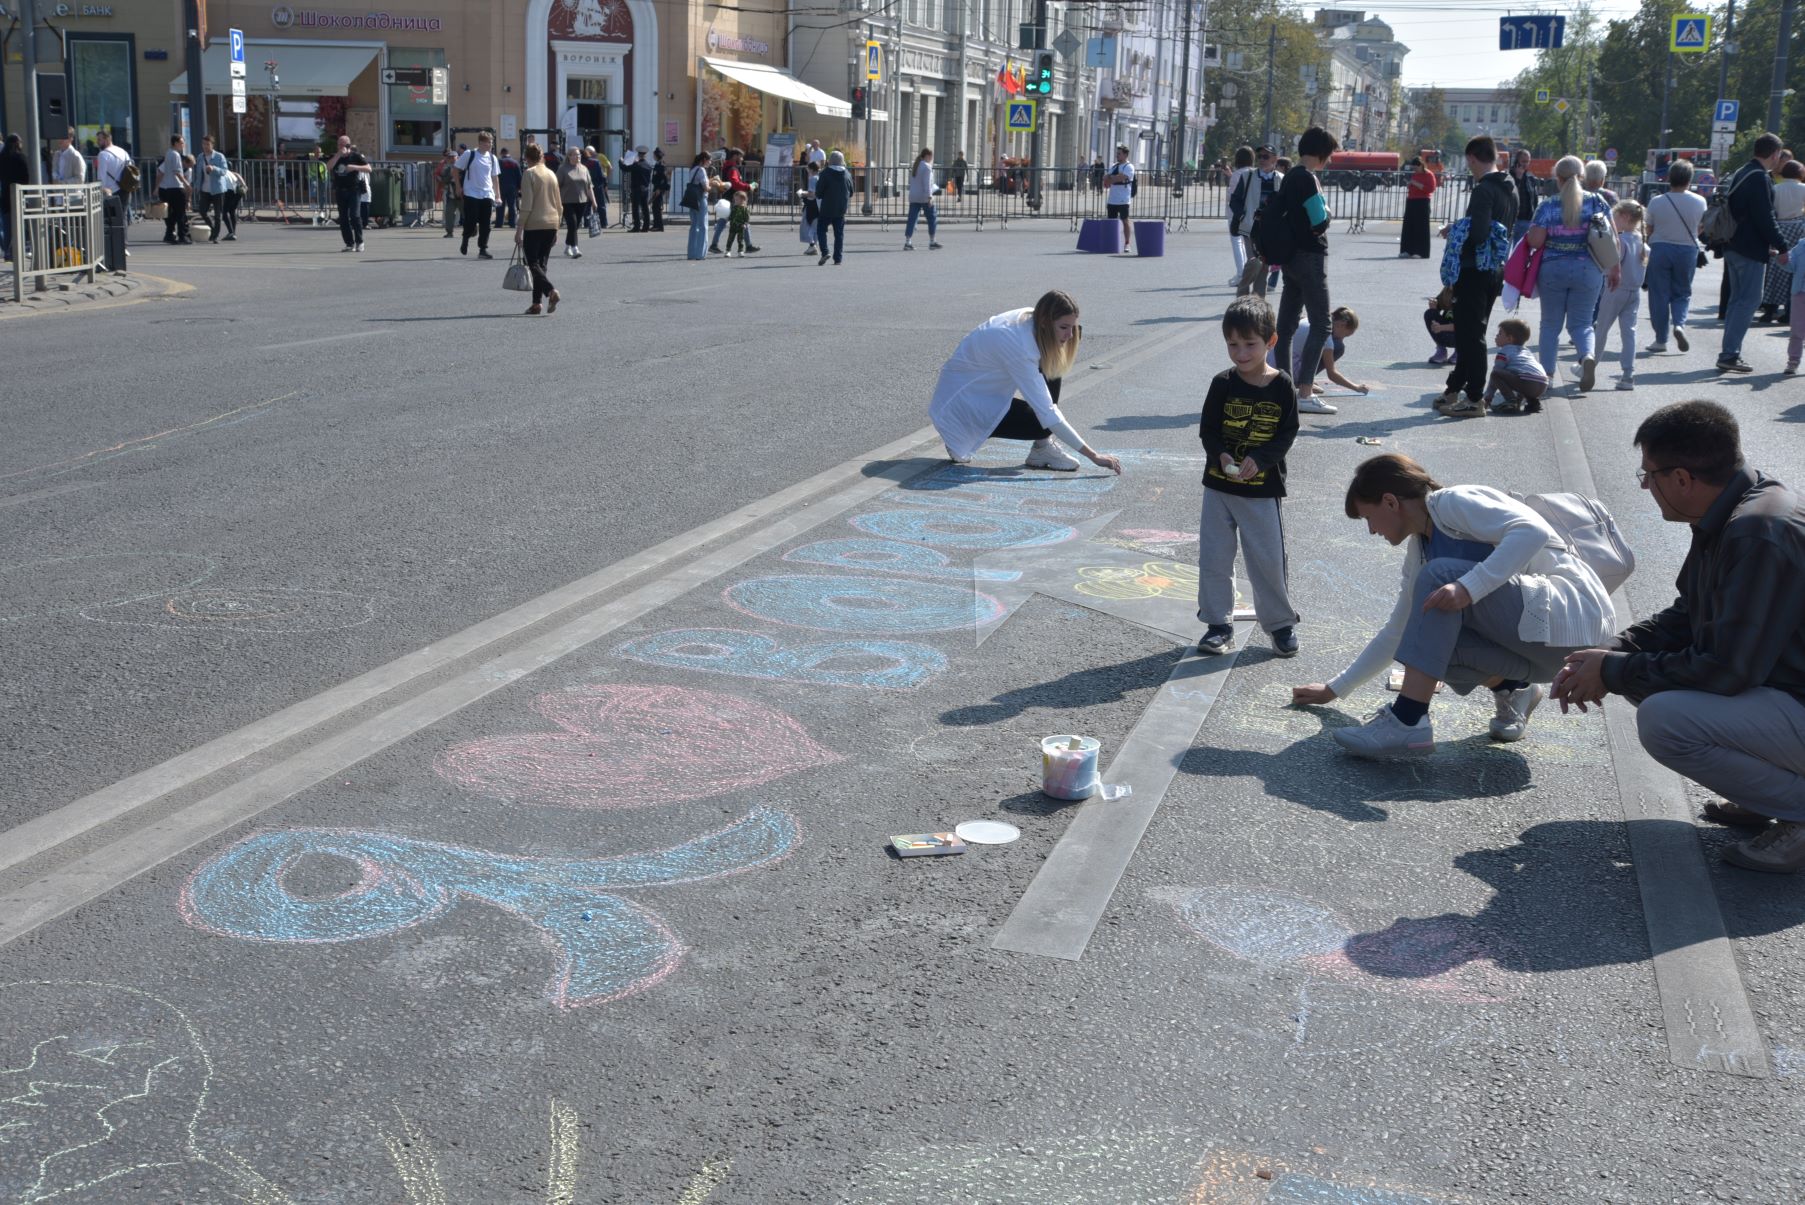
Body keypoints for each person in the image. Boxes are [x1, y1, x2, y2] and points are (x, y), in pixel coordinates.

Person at [1551, 401, 1805, 871]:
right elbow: (1690, 615)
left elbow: (1727, 670)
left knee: (1666, 717)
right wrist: (1612, 653)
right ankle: (1772, 797)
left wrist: (1614, 671)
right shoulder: (1735, 508)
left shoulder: (1754, 532)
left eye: (1649, 474)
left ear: (1682, 478)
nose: (1646, 485)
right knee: (1649, 683)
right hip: (1787, 693)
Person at [1293, 453, 1616, 758]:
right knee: (1424, 638)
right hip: (1539, 653)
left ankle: (1408, 720)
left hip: (1573, 623)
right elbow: (1398, 632)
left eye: (1369, 518)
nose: (1371, 530)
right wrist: (1335, 689)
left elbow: (1532, 531)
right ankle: (1514, 690)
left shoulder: (1452, 502)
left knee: (1441, 577)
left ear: (1390, 502)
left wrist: (1467, 586)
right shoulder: (1420, 551)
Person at [1195, 297, 1301, 658]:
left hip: (1261, 491)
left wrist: (1260, 458)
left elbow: (1286, 434)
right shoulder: (1221, 383)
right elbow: (1208, 430)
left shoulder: (1282, 385)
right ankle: (1217, 625)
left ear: (1271, 341)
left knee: (1267, 559)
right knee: (1214, 558)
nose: (1241, 353)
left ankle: (1280, 625)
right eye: (1233, 345)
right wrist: (1221, 454)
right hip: (1219, 487)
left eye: (1250, 344)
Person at [930, 291, 1124, 476]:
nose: (1071, 335)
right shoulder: (1019, 347)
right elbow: (1048, 413)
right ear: (1045, 323)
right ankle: (964, 434)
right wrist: (1094, 456)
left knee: (1054, 356)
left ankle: (1042, 447)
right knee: (1042, 422)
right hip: (961, 409)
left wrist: (1065, 330)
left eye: (1072, 326)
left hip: (979, 394)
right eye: (1064, 327)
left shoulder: (1032, 319)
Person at [1434, 136, 1516, 418]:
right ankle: (1454, 388)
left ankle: (1473, 397)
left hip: (1474, 269)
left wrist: (1458, 232)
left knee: (1471, 336)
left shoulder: (1483, 190)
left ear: (1471, 158)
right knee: (1472, 332)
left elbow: (1479, 232)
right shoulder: (1509, 187)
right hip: (1495, 269)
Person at [1522, 155, 1615, 391]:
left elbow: (1536, 241)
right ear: (1582, 177)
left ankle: (1547, 376)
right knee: (1583, 324)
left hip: (1553, 269)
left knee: (1550, 325)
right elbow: (1612, 239)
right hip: (1589, 269)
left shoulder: (1548, 205)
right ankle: (1586, 357)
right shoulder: (1598, 202)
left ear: (1557, 178)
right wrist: (1616, 269)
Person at [1272, 127, 1338, 413]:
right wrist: (1329, 213)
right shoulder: (1308, 179)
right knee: (1322, 323)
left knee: (1285, 326)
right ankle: (1305, 392)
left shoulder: (1289, 177)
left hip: (1290, 257)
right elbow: (1319, 221)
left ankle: (1284, 386)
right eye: (1330, 155)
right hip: (1310, 256)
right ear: (1322, 154)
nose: (1330, 161)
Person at [1717, 133, 1792, 373]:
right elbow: (1764, 217)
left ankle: (1729, 351)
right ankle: (1729, 354)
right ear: (1775, 154)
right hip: (1748, 249)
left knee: (1738, 300)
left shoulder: (1743, 171)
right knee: (1748, 301)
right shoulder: (1759, 177)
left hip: (1733, 244)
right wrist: (1782, 244)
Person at [1644, 158, 1706, 353]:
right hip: (1687, 249)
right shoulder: (1700, 201)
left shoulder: (1656, 202)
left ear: (1669, 178)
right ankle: (1679, 323)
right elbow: (1700, 228)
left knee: (1659, 295)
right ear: (1690, 179)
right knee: (1682, 293)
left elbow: (1649, 229)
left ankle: (1660, 340)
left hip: (1660, 249)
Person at [1593, 200, 1647, 390]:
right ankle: (1628, 375)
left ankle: (1589, 368)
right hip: (1634, 292)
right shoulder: (1642, 240)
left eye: (1615, 216)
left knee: (1601, 330)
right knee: (1629, 333)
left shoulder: (1621, 241)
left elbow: (1611, 265)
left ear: (1624, 217)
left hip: (1615, 290)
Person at [515, 143, 561, 316]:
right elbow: (559, 204)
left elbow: (526, 204)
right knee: (542, 264)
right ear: (542, 156)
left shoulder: (529, 174)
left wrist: (519, 228)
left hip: (535, 223)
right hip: (551, 222)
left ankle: (550, 291)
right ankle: (536, 304)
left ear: (527, 158)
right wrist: (556, 227)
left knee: (532, 262)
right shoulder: (551, 174)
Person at [1282, 306, 1368, 399]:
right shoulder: (1325, 335)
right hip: (1288, 373)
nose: (1341, 339)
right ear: (1342, 324)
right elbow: (1332, 374)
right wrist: (1356, 387)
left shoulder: (1311, 319)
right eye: (1346, 335)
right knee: (1339, 347)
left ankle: (1305, 379)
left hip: (1277, 364)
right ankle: (1303, 382)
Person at [1759, 159, 1805, 324]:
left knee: (1775, 269)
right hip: (1799, 228)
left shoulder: (1775, 188)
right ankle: (1790, 309)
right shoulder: (1803, 189)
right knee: (1796, 269)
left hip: (1779, 229)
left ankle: (1769, 309)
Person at [1234, 147, 1282, 297]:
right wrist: (1242, 215)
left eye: (1265, 156)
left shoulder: (1281, 178)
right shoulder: (1247, 176)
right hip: (1250, 227)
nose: (1261, 159)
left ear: (1274, 159)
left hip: (1270, 229)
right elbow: (1235, 200)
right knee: (1254, 261)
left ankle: (1258, 300)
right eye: (1259, 156)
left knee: (1264, 265)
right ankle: (1242, 294)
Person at [1483, 318, 1549, 414]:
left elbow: (1496, 374)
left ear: (1510, 338)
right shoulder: (1527, 351)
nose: (1496, 336)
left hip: (1528, 382)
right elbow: (1522, 373)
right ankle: (1533, 402)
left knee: (1496, 373)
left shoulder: (1504, 352)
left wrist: (1487, 398)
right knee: (1518, 374)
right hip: (1543, 383)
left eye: (1500, 333)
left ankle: (1510, 401)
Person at [455, 133, 500, 258]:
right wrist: (458, 187)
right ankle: (465, 239)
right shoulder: (470, 154)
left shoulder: (492, 158)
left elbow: (495, 177)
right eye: (487, 142)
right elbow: (456, 168)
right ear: (480, 143)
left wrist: (498, 195)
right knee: (471, 220)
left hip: (487, 193)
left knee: (486, 223)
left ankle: (483, 249)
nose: (490, 145)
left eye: (491, 142)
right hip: (471, 193)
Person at [94, 129, 132, 261]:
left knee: (109, 220)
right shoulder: (123, 151)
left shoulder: (103, 155)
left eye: (100, 140)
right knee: (123, 217)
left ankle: (112, 247)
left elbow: (101, 177)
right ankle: (124, 245)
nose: (98, 143)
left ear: (107, 139)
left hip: (110, 191)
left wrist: (99, 190)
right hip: (126, 188)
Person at [326, 134, 369, 253]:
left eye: (342, 145)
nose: (340, 147)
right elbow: (328, 167)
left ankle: (360, 242)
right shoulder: (335, 156)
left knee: (355, 216)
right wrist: (338, 155)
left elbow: (369, 168)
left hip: (354, 189)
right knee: (343, 218)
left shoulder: (355, 156)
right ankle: (349, 243)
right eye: (338, 144)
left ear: (348, 145)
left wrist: (354, 167)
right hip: (340, 190)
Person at [556, 146, 597, 258]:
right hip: (566, 201)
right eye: (575, 154)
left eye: (579, 154)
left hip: (582, 201)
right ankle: (575, 248)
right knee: (572, 223)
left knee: (574, 226)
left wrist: (594, 201)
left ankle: (567, 246)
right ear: (569, 156)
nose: (578, 156)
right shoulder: (563, 169)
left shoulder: (584, 168)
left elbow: (589, 186)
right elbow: (556, 186)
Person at [814, 150, 853, 266]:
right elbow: (851, 192)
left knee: (821, 229)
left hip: (827, 207)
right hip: (841, 208)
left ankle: (825, 251)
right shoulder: (847, 174)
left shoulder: (825, 173)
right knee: (839, 234)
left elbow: (819, 192)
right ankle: (838, 258)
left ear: (830, 161)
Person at [1224, 146, 1256, 283]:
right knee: (1249, 244)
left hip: (1236, 213)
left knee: (1237, 242)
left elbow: (1231, 196)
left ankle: (1241, 273)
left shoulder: (1238, 174)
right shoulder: (1254, 172)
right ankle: (1248, 273)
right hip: (1251, 213)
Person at [904, 147, 942, 251]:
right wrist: (930, 197)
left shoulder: (916, 166)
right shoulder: (927, 167)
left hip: (914, 196)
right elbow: (927, 184)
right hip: (924, 196)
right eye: (931, 156)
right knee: (932, 217)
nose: (931, 159)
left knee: (912, 219)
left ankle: (908, 242)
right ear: (928, 156)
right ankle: (932, 241)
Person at [195, 135, 231, 243]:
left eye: (207, 144)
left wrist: (213, 168)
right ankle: (213, 228)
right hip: (204, 189)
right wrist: (197, 186)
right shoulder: (200, 157)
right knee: (202, 211)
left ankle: (214, 236)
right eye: (203, 144)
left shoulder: (219, 156)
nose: (205, 146)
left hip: (217, 189)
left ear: (212, 145)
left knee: (217, 214)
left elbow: (224, 171)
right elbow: (198, 173)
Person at [157, 135, 191, 245]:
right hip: (176, 187)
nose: (183, 145)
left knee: (171, 214)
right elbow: (177, 172)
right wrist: (186, 184)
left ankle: (169, 234)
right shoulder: (176, 154)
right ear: (175, 143)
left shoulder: (168, 153)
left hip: (168, 187)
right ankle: (182, 236)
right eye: (181, 143)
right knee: (180, 213)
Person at [0, 133, 28, 262]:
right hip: (19, 195)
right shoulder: (20, 158)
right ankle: (18, 251)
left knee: (7, 225)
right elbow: (26, 177)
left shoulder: (2, 157)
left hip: (5, 194)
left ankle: (7, 252)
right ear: (16, 143)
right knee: (19, 225)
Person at [1400, 156, 1435, 259]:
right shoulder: (1415, 174)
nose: (1414, 170)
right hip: (1411, 200)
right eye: (1413, 168)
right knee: (1408, 226)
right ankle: (1407, 250)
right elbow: (1412, 186)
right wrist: (1410, 185)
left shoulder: (1429, 175)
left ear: (1421, 165)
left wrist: (1415, 183)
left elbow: (1430, 189)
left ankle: (1420, 251)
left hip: (1422, 202)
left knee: (1421, 227)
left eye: (1415, 168)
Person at [1104, 145, 1135, 253]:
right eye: (1117, 153)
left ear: (1125, 154)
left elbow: (1121, 177)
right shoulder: (1114, 166)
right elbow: (1105, 179)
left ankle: (1127, 243)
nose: (1117, 155)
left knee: (1125, 220)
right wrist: (1113, 178)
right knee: (1111, 221)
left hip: (1123, 198)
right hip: (1112, 198)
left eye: (1119, 154)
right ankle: (1111, 242)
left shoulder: (1129, 166)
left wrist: (1112, 178)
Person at [683, 152, 711, 260]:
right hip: (700, 198)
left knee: (694, 226)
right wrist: (712, 184)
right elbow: (705, 187)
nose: (710, 162)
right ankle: (701, 253)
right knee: (703, 225)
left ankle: (692, 253)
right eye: (709, 160)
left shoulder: (693, 169)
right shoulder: (701, 170)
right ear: (704, 159)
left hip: (692, 198)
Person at [1507, 149, 1539, 243]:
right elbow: (1511, 194)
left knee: (1519, 251)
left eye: (1528, 161)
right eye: (1523, 161)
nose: (1526, 164)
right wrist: (1518, 178)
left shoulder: (1530, 177)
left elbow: (1534, 199)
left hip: (1526, 219)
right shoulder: (1509, 176)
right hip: (1512, 220)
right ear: (1517, 160)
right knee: (1506, 251)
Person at [623, 144, 654, 232]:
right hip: (645, 189)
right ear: (645, 155)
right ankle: (646, 227)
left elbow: (625, 168)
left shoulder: (636, 165)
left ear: (638, 155)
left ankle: (636, 227)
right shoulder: (648, 166)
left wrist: (620, 161)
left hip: (636, 189)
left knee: (635, 208)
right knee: (645, 208)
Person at [1786, 236, 1805, 373]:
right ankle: (1793, 360)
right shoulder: (1801, 246)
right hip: (1799, 292)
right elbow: (1791, 266)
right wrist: (1780, 257)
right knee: (1797, 329)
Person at [1424, 292, 1458, 364]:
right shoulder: (1448, 289)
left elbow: (1464, 325)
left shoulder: (1468, 292)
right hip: (1447, 330)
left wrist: (1441, 327)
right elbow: (1438, 302)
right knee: (1430, 313)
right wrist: (1433, 305)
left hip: (1462, 335)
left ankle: (1461, 352)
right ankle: (1441, 351)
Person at [798, 159, 821, 256]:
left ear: (811, 169)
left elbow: (812, 194)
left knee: (806, 225)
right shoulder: (820, 177)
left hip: (811, 205)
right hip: (819, 205)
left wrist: (801, 193)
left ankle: (812, 245)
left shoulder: (812, 179)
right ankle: (814, 245)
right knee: (815, 226)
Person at [586, 146, 612, 230]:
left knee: (592, 205)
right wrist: (604, 180)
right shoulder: (593, 161)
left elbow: (609, 167)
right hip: (597, 184)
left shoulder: (600, 157)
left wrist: (607, 177)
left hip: (592, 185)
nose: (588, 154)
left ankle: (600, 223)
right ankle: (602, 223)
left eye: (589, 152)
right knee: (599, 205)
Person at [437, 147, 460, 238]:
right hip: (451, 195)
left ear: (457, 158)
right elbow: (444, 180)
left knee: (466, 213)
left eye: (453, 157)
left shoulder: (462, 168)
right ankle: (449, 232)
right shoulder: (447, 169)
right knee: (449, 213)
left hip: (461, 196)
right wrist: (450, 175)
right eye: (450, 158)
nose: (451, 159)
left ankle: (472, 229)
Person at [498, 147, 522, 228]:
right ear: (508, 153)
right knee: (512, 205)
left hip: (501, 187)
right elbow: (519, 176)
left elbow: (495, 175)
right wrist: (519, 188)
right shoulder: (515, 163)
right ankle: (512, 223)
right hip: (512, 188)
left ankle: (499, 223)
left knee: (500, 206)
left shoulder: (499, 162)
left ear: (501, 153)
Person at [725, 190, 753, 257]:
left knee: (740, 240)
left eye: (737, 200)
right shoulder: (734, 208)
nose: (735, 201)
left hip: (741, 226)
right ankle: (728, 251)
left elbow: (747, 218)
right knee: (730, 239)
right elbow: (731, 215)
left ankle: (740, 251)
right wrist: (728, 221)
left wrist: (745, 224)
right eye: (735, 200)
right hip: (733, 226)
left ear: (743, 200)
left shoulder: (745, 209)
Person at [650, 147, 669, 231]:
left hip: (659, 189)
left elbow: (663, 178)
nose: (653, 156)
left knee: (657, 207)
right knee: (655, 207)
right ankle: (655, 225)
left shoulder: (661, 165)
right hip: (657, 188)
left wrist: (659, 189)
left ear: (657, 155)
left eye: (654, 154)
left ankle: (659, 226)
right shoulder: (658, 164)